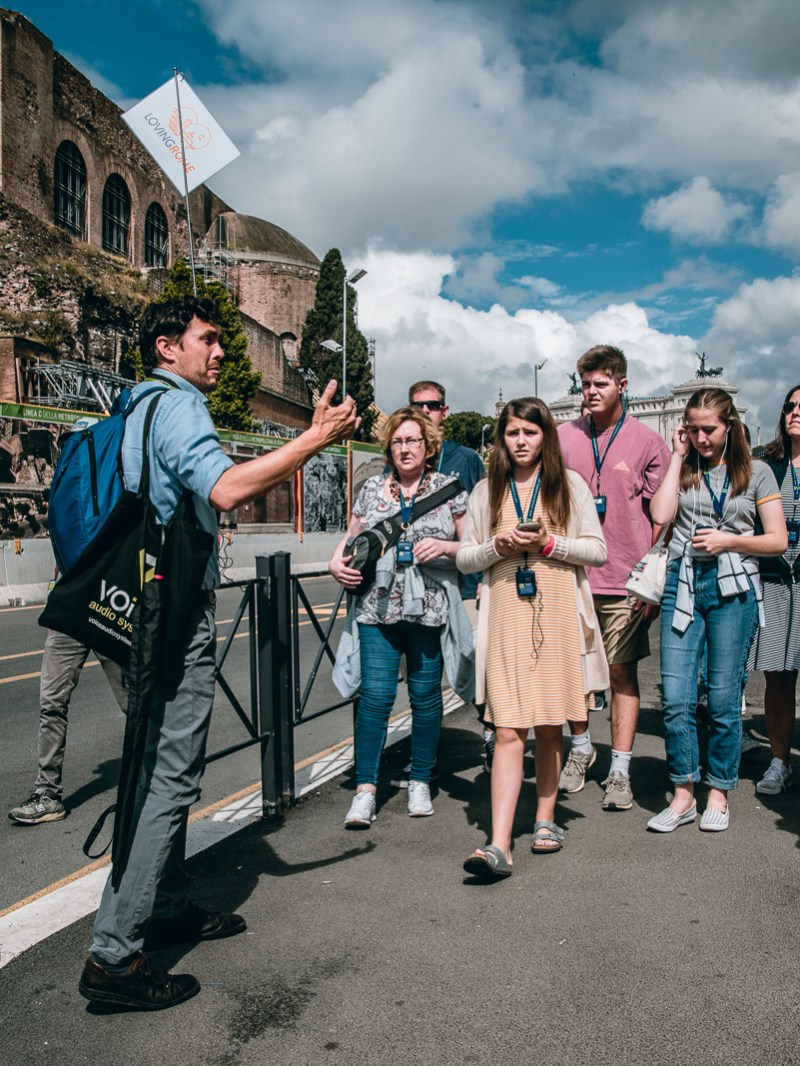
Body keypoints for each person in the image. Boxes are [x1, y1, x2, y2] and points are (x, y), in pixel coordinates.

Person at [78, 295, 359, 1011]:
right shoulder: (178, 406)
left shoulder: (134, 406)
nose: (222, 352)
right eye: (208, 339)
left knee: (153, 766)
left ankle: (164, 901)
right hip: (172, 613)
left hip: (136, 604)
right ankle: (114, 954)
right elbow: (227, 488)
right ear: (168, 347)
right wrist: (315, 439)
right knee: (171, 776)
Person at [458, 398, 608, 878]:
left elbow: (598, 551)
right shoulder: (486, 490)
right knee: (506, 729)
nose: (520, 441)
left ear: (546, 436)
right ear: (501, 439)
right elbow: (464, 559)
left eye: (530, 432)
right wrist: (494, 547)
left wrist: (548, 544)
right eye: (512, 433)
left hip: (559, 613)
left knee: (548, 724)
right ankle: (499, 844)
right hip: (505, 616)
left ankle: (545, 820)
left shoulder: (570, 485)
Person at [647, 388, 785, 833]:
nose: (701, 438)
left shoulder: (757, 471)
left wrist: (730, 540)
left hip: (734, 587)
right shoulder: (684, 467)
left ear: (729, 427)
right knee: (676, 697)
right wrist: (674, 457)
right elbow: (661, 513)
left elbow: (777, 540)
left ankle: (719, 790)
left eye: (710, 429)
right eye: (693, 429)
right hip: (682, 582)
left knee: (724, 698)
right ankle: (683, 792)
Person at [329, 406, 472, 827]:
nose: (405, 448)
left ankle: (421, 780)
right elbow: (350, 539)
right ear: (388, 448)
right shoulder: (372, 489)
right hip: (377, 607)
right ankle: (365, 789)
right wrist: (335, 562)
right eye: (398, 442)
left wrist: (445, 549)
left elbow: (472, 549)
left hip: (428, 608)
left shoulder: (450, 488)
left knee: (426, 699)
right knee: (375, 698)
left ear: (429, 446)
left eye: (413, 441)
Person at [557, 345, 669, 811]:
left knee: (621, 673)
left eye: (600, 384)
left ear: (623, 386)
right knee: (576, 673)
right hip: (572, 578)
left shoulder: (647, 441)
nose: (590, 392)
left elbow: (663, 516)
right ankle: (581, 749)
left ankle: (620, 770)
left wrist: (651, 577)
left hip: (625, 582)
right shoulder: (563, 437)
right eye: (585, 385)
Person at [407, 380, 491, 767]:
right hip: (418, 589)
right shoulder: (401, 455)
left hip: (465, 584)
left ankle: (492, 732)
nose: (426, 412)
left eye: (433, 405)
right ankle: (426, 757)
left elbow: (482, 518)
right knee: (425, 677)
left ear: (446, 410)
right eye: (417, 405)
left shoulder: (466, 458)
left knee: (472, 667)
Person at [8, 630, 128, 825]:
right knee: (51, 704)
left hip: (111, 613)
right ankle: (48, 794)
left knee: (138, 706)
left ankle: (165, 777)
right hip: (69, 614)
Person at [747, 385, 800, 794]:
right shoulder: (767, 463)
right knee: (778, 677)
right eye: (790, 406)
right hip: (777, 582)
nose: (795, 412)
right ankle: (779, 761)